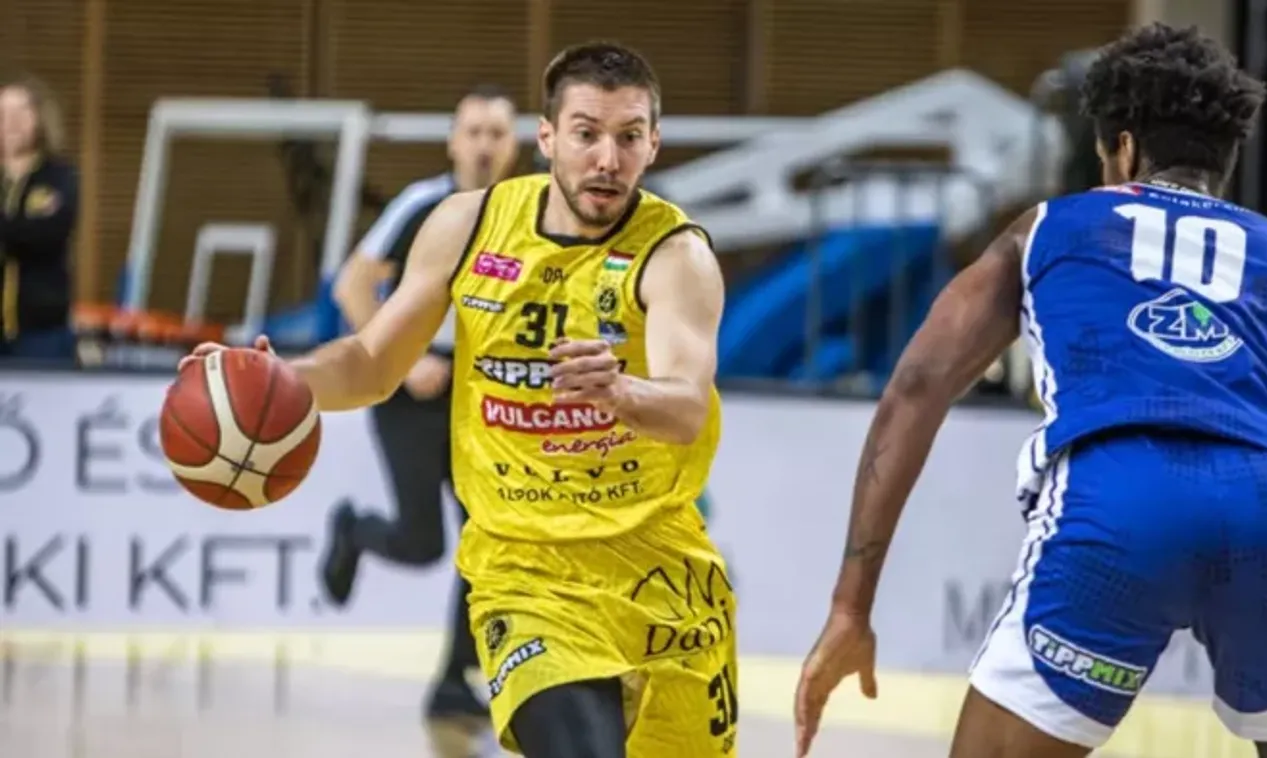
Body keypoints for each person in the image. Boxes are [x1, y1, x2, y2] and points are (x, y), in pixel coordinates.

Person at [795, 23, 1267, 758]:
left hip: (1117, 503)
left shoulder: (1048, 227)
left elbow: (917, 386)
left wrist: (849, 606)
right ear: (1226, 154)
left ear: (1123, 147)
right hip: (1266, 513)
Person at [183, 40, 733, 758]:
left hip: (658, 572)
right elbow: (371, 363)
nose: (608, 158)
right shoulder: (464, 224)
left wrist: (620, 390)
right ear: (547, 138)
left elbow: (687, 407)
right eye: (587, 134)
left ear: (653, 144)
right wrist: (279, 377)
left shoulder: (676, 254)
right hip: (524, 575)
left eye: (629, 137)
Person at [320, 84, 518, 722]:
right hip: (410, 391)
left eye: (496, 133)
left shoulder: (527, 210)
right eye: (474, 132)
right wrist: (402, 361)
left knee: (486, 541)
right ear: (453, 142)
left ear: (515, 144)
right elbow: (352, 285)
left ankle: (456, 678)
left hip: (481, 396)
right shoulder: (421, 204)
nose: (484, 145)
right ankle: (354, 531)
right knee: (421, 540)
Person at [0, 74, 78, 362]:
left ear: (39, 118)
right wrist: (21, 224)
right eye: (3, 113)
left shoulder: (59, 177)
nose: (12, 122)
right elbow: (27, 232)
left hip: (42, 330)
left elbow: (47, 236)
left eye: (22, 111)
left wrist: (9, 230)